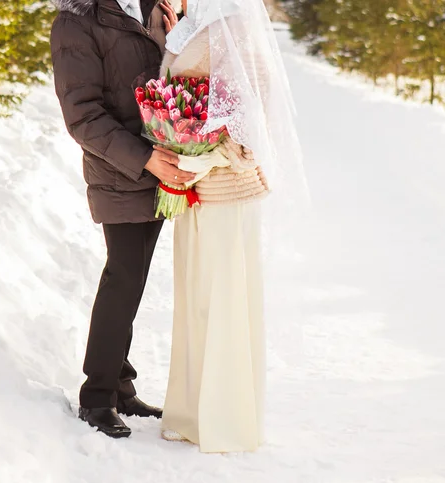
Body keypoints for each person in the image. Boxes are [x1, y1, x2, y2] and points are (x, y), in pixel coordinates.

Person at [159, 0, 307, 452]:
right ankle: (190, 413)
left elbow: (249, 119)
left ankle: (226, 421)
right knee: (196, 299)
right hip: (193, 189)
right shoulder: (191, 24)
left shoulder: (236, 24)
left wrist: (204, 157)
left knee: (223, 301)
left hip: (226, 189)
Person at [50, 0, 192, 439]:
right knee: (124, 275)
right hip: (123, 168)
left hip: (160, 163)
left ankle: (120, 387)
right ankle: (96, 396)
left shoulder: (153, 6)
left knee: (136, 275)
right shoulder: (76, 21)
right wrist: (146, 158)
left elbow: (166, 76)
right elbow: (83, 117)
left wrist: (181, 31)